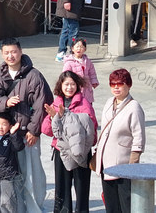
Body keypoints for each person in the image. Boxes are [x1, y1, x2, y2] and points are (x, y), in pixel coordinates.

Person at [0, 39, 52, 213]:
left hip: (27, 134)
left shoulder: (34, 75)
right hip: (7, 135)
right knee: (14, 174)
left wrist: (34, 131)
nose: (10, 56)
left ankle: (35, 207)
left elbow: (42, 104)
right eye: (6, 53)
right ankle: (17, 207)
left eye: (13, 52)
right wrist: (5, 102)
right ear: (2, 54)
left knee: (32, 172)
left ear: (20, 52)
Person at [41, 71, 97, 213]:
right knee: (61, 188)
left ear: (78, 86)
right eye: (66, 84)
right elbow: (46, 130)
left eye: (73, 84)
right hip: (62, 150)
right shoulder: (56, 103)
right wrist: (53, 118)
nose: (69, 87)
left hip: (81, 151)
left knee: (82, 187)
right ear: (60, 86)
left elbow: (90, 128)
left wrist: (61, 118)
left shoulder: (84, 104)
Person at [92, 68, 145, 213]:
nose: (116, 87)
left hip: (123, 165)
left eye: (120, 84)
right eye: (113, 84)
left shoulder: (134, 107)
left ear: (128, 85)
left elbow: (139, 138)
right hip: (105, 162)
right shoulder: (109, 102)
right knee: (111, 204)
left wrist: (132, 166)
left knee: (125, 204)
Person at [62, 37, 99, 105]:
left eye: (81, 47)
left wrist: (94, 81)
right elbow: (65, 76)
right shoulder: (69, 62)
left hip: (87, 87)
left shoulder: (87, 61)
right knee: (76, 104)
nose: (79, 49)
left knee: (87, 104)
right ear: (72, 48)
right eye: (77, 47)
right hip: (75, 87)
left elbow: (92, 73)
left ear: (85, 49)